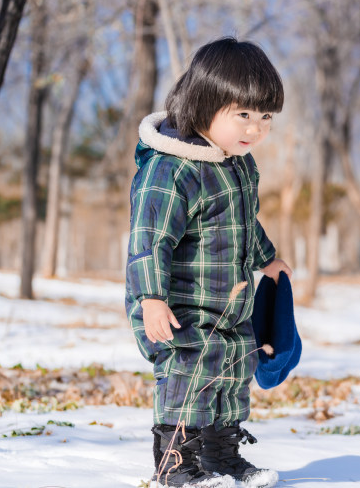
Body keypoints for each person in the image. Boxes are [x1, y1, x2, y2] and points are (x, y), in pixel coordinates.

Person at [125, 37, 292, 488]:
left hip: (230, 303)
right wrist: (151, 297)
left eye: (265, 117)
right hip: (178, 304)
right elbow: (148, 239)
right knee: (190, 373)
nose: (255, 129)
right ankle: (175, 462)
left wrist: (268, 259)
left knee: (234, 369)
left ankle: (222, 452)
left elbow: (243, 223)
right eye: (243, 114)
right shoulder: (172, 169)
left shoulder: (239, 165)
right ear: (205, 102)